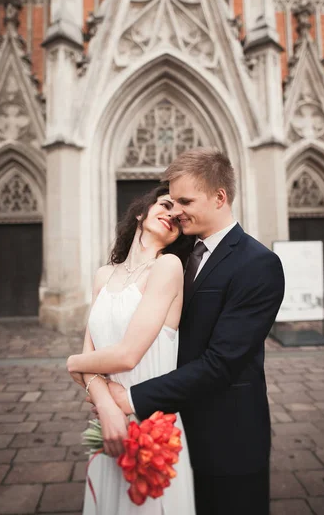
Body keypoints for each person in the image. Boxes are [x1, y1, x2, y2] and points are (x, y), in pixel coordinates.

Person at [106, 148, 285, 515]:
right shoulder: (177, 255)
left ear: (220, 197)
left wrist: (129, 399)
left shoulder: (258, 264)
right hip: (168, 434)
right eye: (171, 202)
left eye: (185, 201)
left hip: (227, 441)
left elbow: (221, 364)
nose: (175, 212)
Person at [67, 185, 196, 514]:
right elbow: (89, 359)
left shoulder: (167, 268)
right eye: (165, 205)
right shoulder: (102, 276)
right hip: (110, 426)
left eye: (178, 220)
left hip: (153, 422)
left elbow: (126, 356)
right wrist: (108, 410)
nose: (171, 215)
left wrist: (74, 365)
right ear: (141, 212)